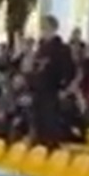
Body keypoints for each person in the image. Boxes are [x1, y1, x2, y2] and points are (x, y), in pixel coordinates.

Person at [31, 15, 74, 147]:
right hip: (39, 90)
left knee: (50, 122)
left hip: (52, 90)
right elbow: (36, 69)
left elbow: (68, 71)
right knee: (38, 122)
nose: (43, 31)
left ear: (53, 29)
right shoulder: (41, 48)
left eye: (45, 28)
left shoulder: (61, 49)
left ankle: (51, 147)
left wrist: (63, 88)